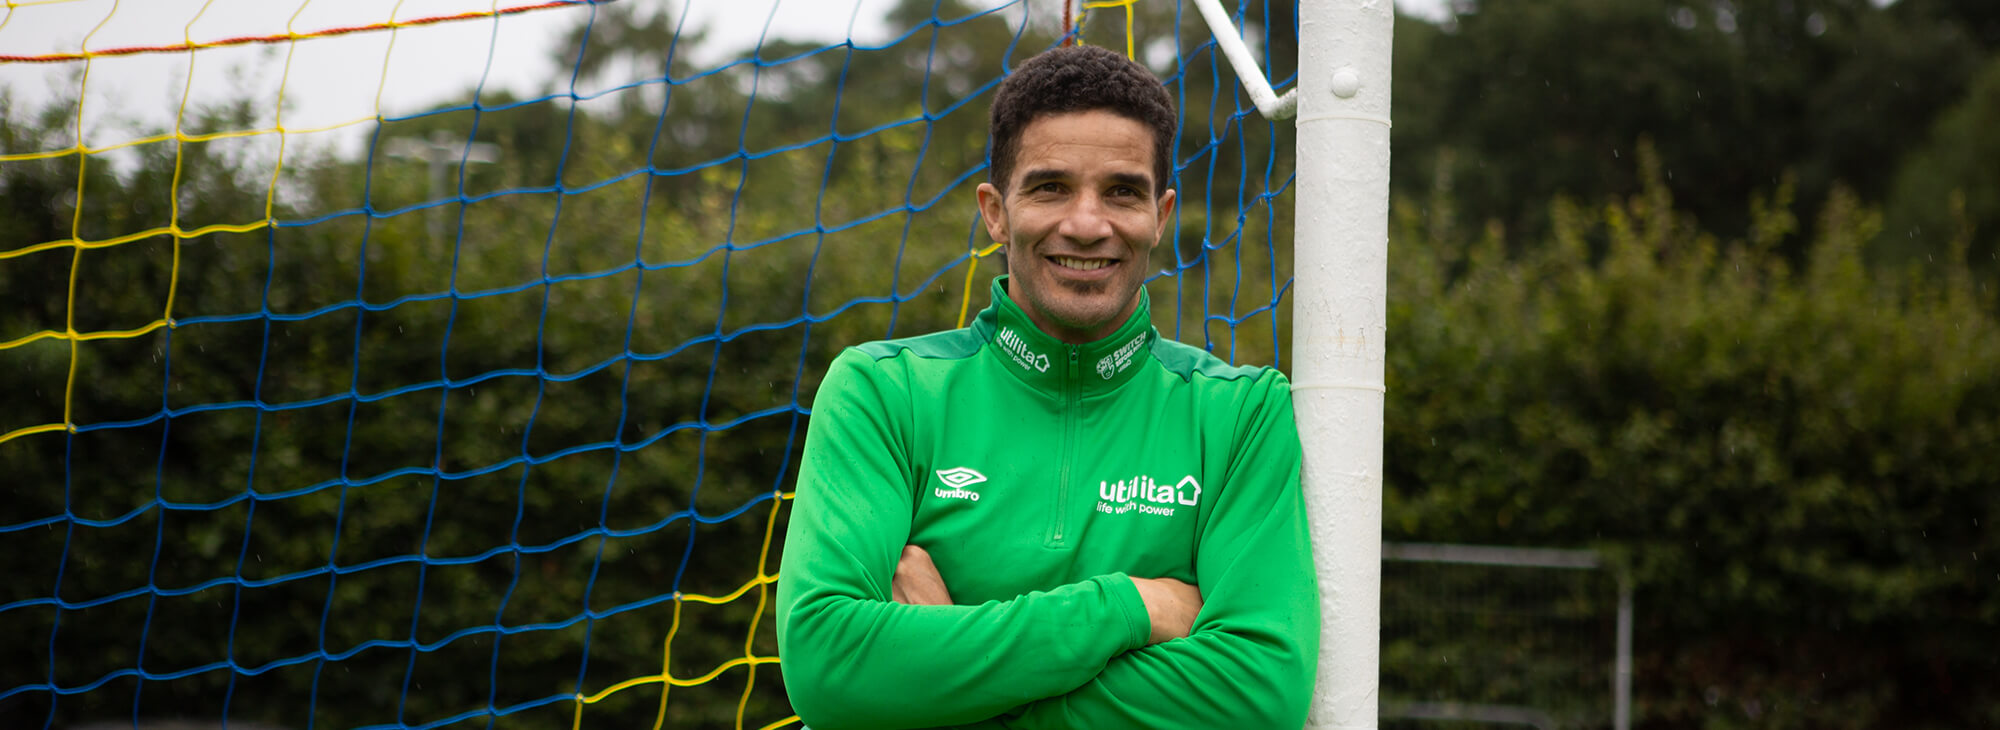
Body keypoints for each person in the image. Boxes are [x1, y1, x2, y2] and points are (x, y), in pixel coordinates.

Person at [774, 44, 1319, 729]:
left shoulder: (1239, 413)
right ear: (996, 212)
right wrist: (1128, 607)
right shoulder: (882, 392)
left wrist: (946, 686)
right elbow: (828, 666)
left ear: (1161, 213)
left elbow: (1257, 696)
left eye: (1122, 191)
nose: (1087, 225)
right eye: (1051, 187)